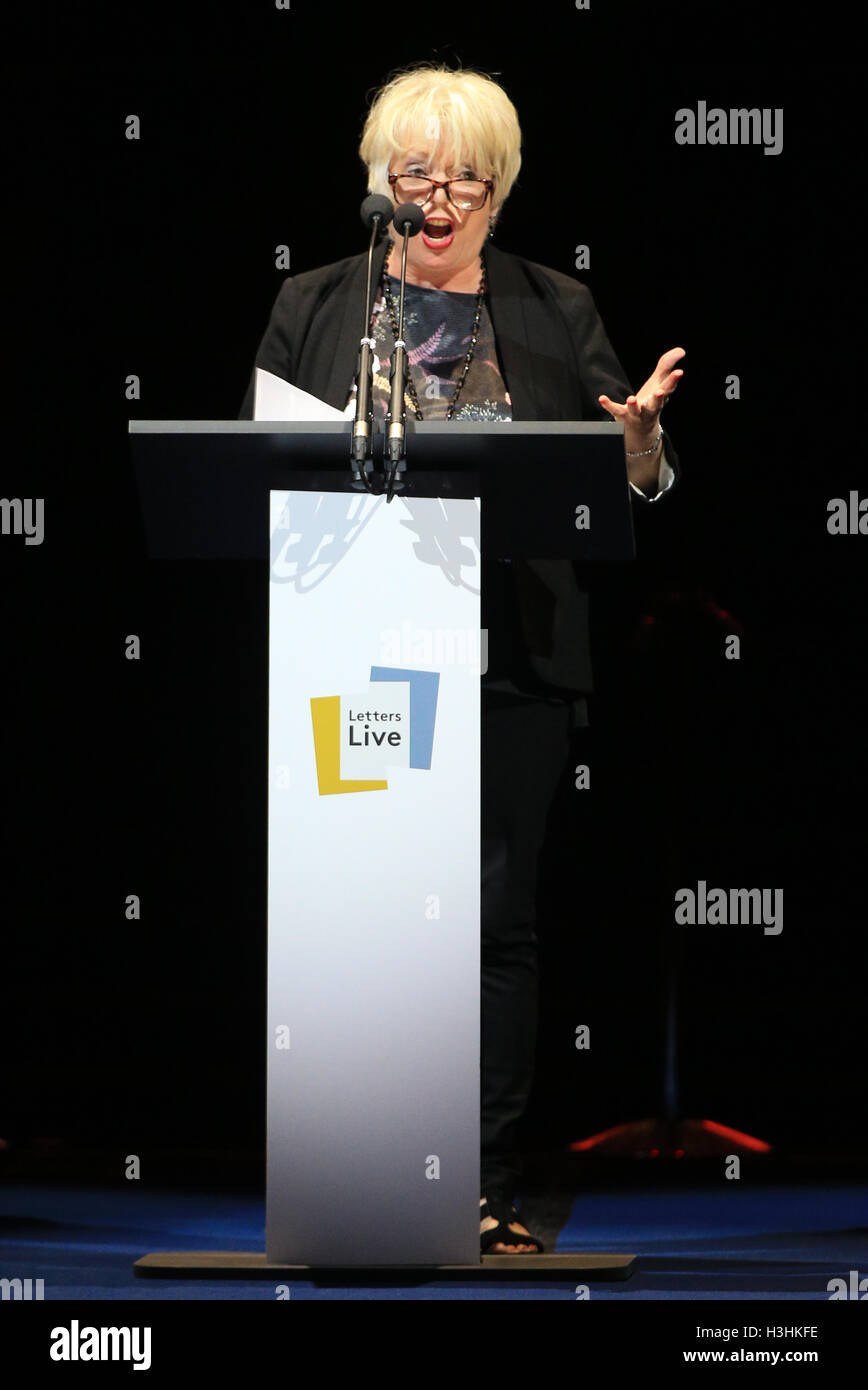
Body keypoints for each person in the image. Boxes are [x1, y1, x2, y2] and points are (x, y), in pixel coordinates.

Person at [240, 61, 684, 1253]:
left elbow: (619, 485)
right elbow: (261, 479)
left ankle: (475, 1181)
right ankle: (354, 1176)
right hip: (353, 656)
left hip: (511, 660)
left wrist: (640, 451)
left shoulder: (554, 307)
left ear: (501, 191)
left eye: (465, 181)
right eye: (415, 175)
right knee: (362, 915)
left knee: (492, 919)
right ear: (378, 181)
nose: (438, 199)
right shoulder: (313, 303)